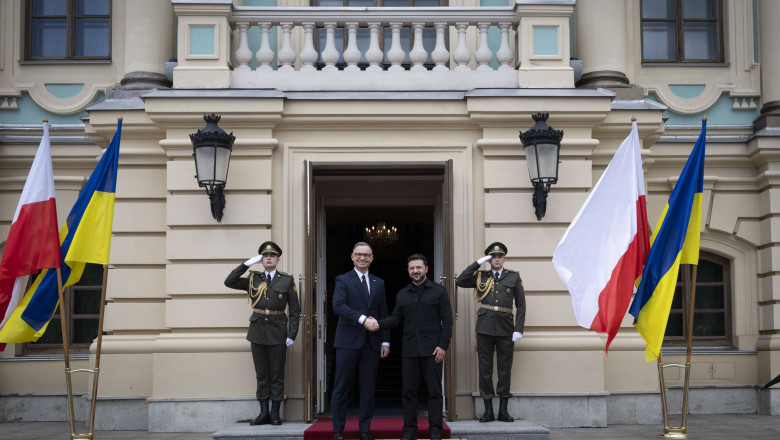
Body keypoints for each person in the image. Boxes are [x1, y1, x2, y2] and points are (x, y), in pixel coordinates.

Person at [368, 254, 452, 440]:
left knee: (434, 392)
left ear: (426, 269)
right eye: (412, 268)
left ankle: (436, 432)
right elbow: (395, 319)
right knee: (408, 393)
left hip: (433, 350)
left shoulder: (438, 291)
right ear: (408, 270)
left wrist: (443, 346)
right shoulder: (402, 294)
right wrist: (377, 324)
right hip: (409, 351)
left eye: (419, 267)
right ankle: (409, 431)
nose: (415, 271)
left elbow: (447, 320)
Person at [224, 241, 300, 426]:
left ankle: (275, 414)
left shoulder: (286, 280)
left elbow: (295, 311)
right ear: (261, 259)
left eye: (272, 255)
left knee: (277, 374)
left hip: (278, 333)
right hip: (257, 331)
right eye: (265, 256)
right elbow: (229, 281)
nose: (268, 258)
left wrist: (292, 334)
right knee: (262, 374)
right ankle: (263, 413)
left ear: (277, 259)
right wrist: (247, 264)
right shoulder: (253, 279)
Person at [455, 242, 525, 423]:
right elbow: (460, 280)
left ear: (504, 258)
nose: (496, 259)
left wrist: (518, 329)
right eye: (493, 257)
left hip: (506, 329)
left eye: (499, 256)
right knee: (485, 369)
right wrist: (478, 263)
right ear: (489, 259)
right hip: (485, 328)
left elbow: (521, 306)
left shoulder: (514, 277)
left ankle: (503, 411)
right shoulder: (480, 276)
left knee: (504, 370)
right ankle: (488, 411)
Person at [330, 242, 390, 440]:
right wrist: (363, 319)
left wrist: (385, 342)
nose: (362, 258)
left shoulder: (378, 282)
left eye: (366, 255)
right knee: (342, 387)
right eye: (359, 254)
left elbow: (383, 312)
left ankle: (365, 429)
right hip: (347, 341)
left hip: (371, 343)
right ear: (352, 257)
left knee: (368, 389)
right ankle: (338, 430)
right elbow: (338, 306)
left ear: (372, 258)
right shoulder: (342, 279)